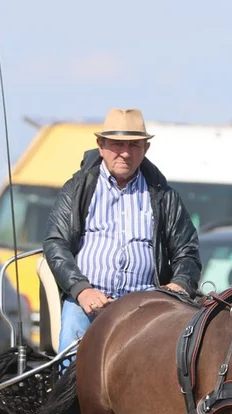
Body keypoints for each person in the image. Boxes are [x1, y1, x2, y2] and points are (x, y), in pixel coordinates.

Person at [42, 107, 202, 350]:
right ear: (101, 145)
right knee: (72, 355)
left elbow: (187, 251)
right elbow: (56, 243)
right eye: (117, 144)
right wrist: (82, 290)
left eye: (134, 145)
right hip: (88, 303)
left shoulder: (163, 195)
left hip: (147, 305)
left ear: (145, 149)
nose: (125, 153)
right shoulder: (77, 189)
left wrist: (179, 284)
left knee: (180, 358)